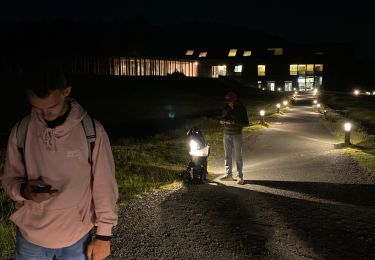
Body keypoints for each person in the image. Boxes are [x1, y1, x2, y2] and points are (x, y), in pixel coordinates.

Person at [2, 63, 118, 260]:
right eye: (37, 107)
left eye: (52, 106)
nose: (45, 114)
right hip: (31, 239)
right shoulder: (21, 131)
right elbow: (9, 180)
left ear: (66, 91)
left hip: (76, 237)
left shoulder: (91, 131)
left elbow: (104, 185)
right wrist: (24, 191)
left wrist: (103, 236)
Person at [219, 91, 249, 185]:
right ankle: (228, 174)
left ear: (235, 100)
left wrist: (233, 122)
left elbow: (246, 123)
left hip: (236, 135)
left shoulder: (241, 108)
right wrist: (222, 121)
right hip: (226, 134)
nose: (229, 103)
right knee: (227, 156)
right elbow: (222, 117)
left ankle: (240, 176)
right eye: (227, 101)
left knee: (238, 156)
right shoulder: (225, 107)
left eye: (230, 101)